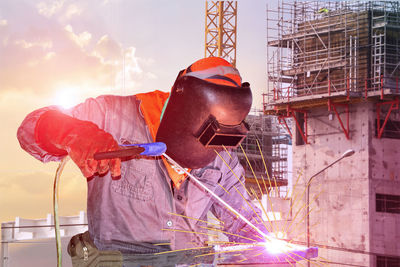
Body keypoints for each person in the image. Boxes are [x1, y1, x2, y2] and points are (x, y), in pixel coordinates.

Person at [17, 57, 266, 266]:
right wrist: (70, 132)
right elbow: (28, 129)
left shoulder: (222, 150)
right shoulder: (110, 117)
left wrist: (266, 254)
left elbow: (245, 223)